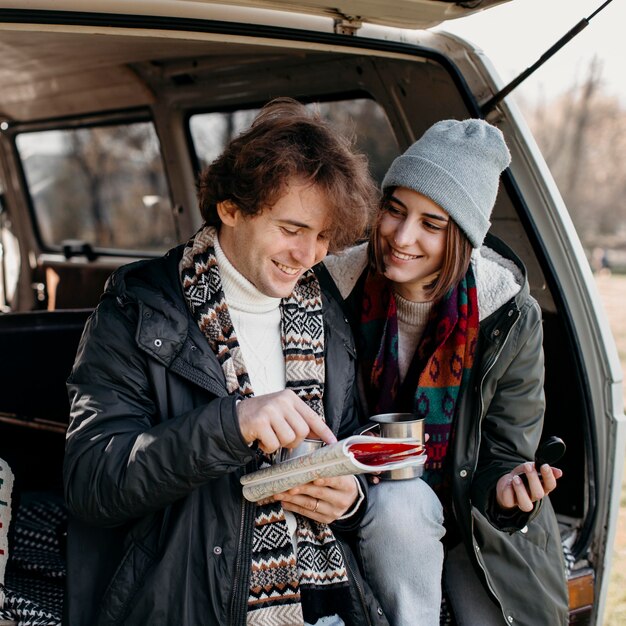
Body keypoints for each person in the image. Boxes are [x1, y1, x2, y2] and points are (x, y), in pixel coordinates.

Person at [62, 98, 388, 626]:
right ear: (231, 208)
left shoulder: (325, 309)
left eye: (323, 236)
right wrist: (230, 425)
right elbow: (92, 481)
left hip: (323, 602)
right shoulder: (135, 309)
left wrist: (351, 502)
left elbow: (345, 439)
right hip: (181, 603)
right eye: (291, 229)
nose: (308, 256)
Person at [323, 118, 569, 626]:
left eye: (431, 224)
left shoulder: (507, 315)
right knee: (401, 506)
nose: (402, 236)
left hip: (468, 520)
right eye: (394, 210)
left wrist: (506, 493)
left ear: (463, 236)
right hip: (358, 501)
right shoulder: (334, 289)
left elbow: (505, 449)